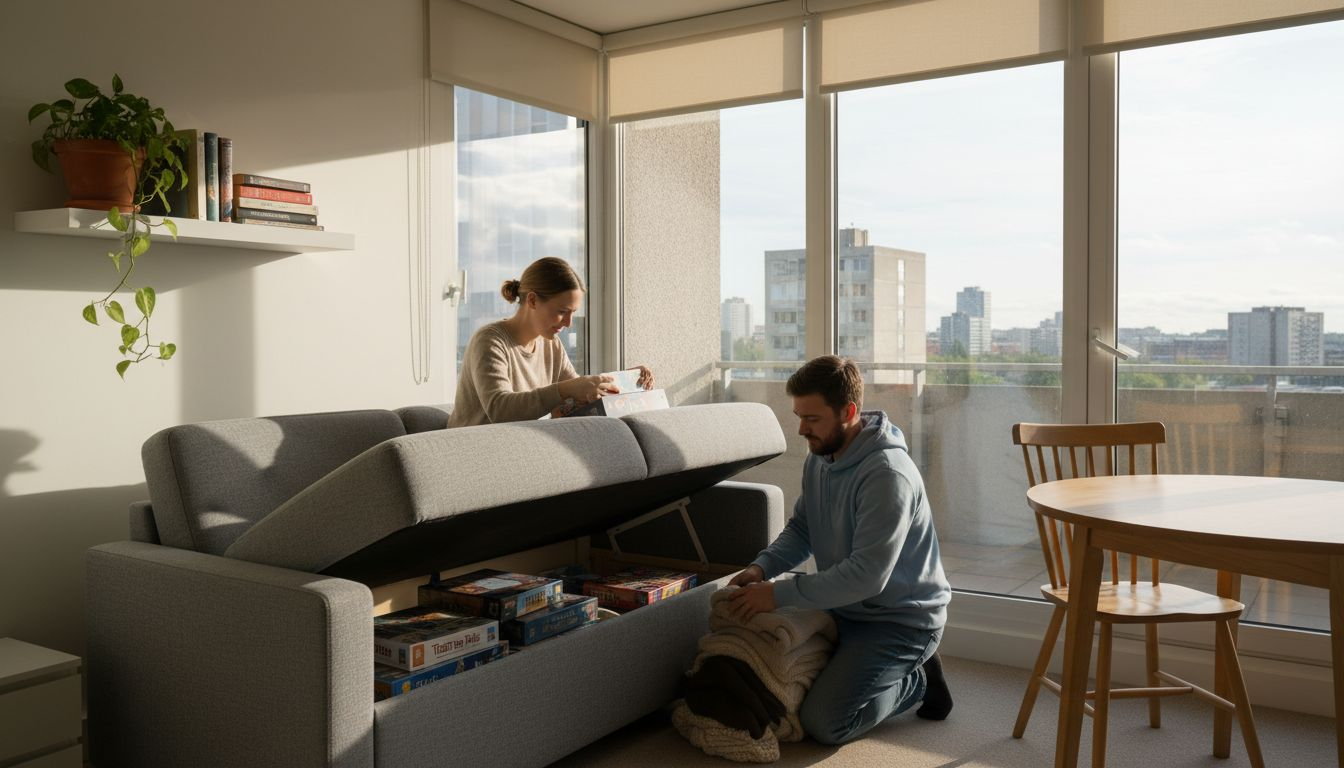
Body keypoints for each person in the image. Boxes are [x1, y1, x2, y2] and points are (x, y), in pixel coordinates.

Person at [727, 355, 952, 745]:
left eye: (811, 419)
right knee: (768, 689)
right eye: (799, 416)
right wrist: (762, 569)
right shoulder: (822, 456)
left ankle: (916, 679)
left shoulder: (887, 475)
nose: (801, 429)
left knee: (824, 723)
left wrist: (778, 595)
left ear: (848, 412)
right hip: (843, 606)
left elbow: (867, 575)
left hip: (899, 621)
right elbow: (803, 528)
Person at [447, 257, 653, 428]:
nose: (568, 323)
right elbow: (500, 411)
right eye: (562, 312)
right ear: (533, 301)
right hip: (474, 454)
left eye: (572, 313)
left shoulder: (551, 344)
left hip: (518, 448)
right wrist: (565, 389)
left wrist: (624, 383)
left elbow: (577, 398)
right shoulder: (490, 341)